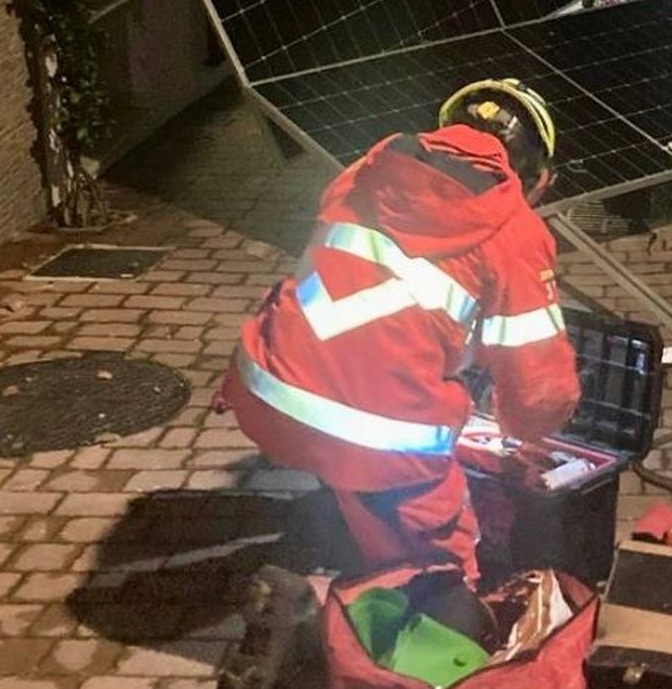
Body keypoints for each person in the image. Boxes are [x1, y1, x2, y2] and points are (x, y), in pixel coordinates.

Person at [220, 79, 580, 585]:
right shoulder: (516, 231)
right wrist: (523, 434)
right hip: (369, 433)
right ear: (536, 176)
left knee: (359, 470)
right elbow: (540, 393)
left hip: (263, 387)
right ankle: (340, 621)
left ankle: (344, 526)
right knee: (439, 566)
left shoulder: (369, 169)